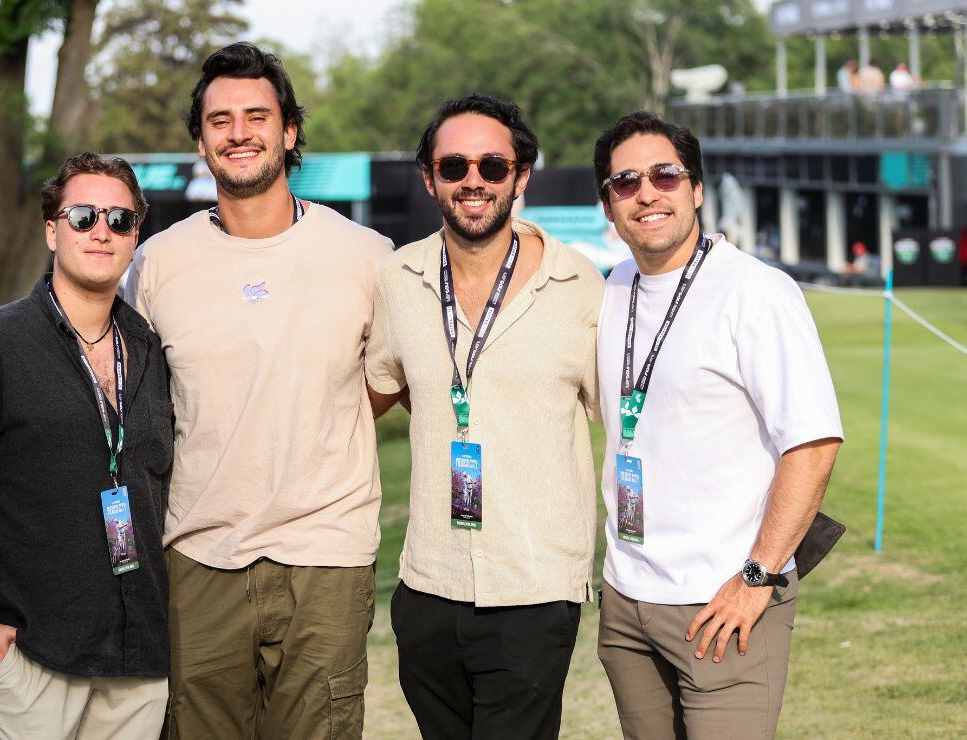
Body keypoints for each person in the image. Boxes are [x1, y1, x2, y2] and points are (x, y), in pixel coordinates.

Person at [128, 42, 392, 739]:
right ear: (200, 138)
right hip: (198, 551)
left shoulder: (365, 256)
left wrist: (316, 417)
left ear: (289, 131)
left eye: (256, 115)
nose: (239, 132)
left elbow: (394, 380)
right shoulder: (157, 263)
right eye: (220, 120)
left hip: (326, 553)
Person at [0, 152, 174, 738]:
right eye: (82, 215)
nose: (102, 230)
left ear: (135, 237)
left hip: (136, 654)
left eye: (120, 220)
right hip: (28, 653)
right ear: (52, 230)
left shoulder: (148, 349)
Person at [591, 111, 843, 739]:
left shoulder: (755, 292)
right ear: (608, 204)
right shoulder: (613, 287)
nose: (646, 192)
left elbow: (812, 445)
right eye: (625, 182)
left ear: (696, 189)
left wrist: (758, 576)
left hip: (722, 600)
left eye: (665, 175)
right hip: (626, 600)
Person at [366, 93, 605, 738]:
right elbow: (383, 390)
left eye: (493, 167)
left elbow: (624, 416)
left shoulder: (579, 284)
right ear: (430, 177)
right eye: (454, 167)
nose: (473, 181)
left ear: (520, 176)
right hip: (428, 581)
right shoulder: (398, 279)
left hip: (535, 585)